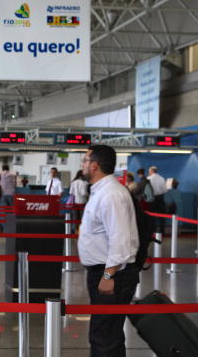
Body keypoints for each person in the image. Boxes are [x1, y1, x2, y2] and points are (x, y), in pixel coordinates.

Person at [78, 145, 139, 357]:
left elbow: (120, 240)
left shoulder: (111, 194)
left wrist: (107, 275)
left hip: (112, 275)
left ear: (94, 165)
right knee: (107, 333)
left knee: (104, 335)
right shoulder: (102, 191)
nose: (83, 164)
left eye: (85, 161)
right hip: (104, 272)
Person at [147, 166, 168, 233]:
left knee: (151, 215)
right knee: (161, 215)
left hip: (152, 198)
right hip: (160, 198)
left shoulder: (148, 178)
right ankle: (162, 231)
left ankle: (152, 230)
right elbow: (165, 190)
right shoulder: (161, 178)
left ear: (151, 171)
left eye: (149, 172)